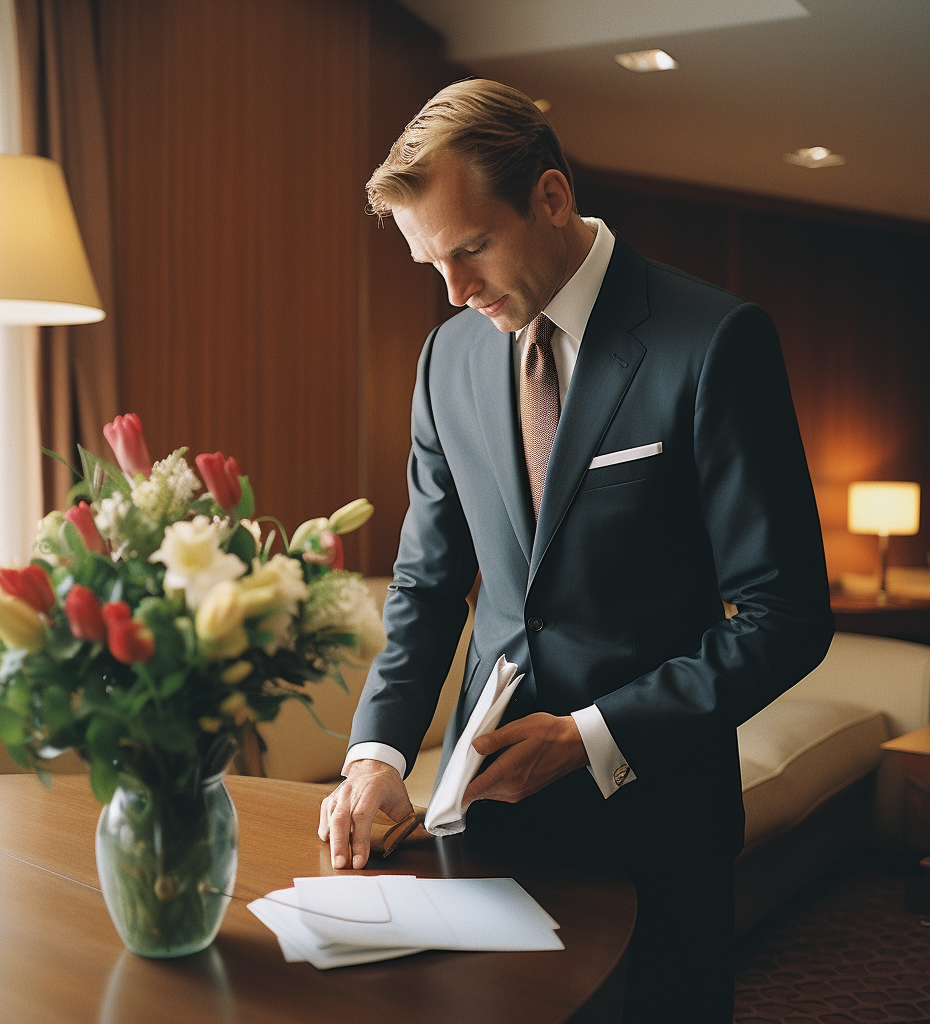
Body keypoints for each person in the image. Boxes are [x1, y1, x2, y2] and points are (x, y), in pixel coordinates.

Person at [318, 79, 833, 1022]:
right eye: (431, 263)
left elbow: (786, 616)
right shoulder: (448, 360)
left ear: (551, 198)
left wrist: (594, 736)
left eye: (470, 249)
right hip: (482, 815)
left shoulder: (715, 341)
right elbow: (429, 586)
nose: (456, 293)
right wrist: (377, 754)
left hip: (659, 821)